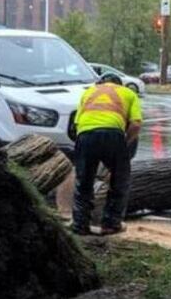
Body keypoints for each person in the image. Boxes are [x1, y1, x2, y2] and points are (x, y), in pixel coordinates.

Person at [71, 72, 142, 235]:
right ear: (119, 84)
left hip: (85, 135)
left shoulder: (88, 92)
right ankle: (111, 223)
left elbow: (76, 125)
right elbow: (136, 125)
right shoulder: (129, 93)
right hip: (113, 135)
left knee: (84, 182)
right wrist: (125, 143)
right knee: (119, 181)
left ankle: (80, 225)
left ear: (101, 83)